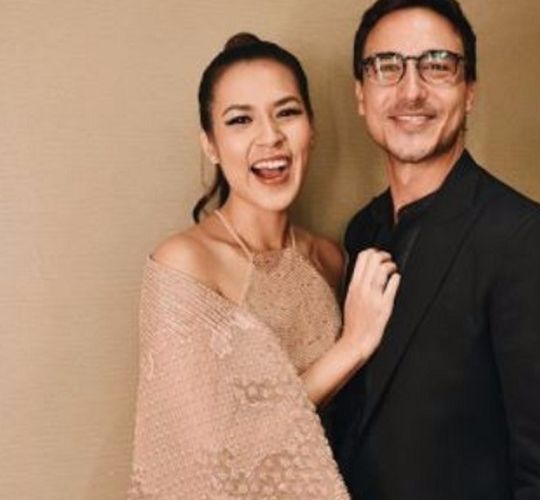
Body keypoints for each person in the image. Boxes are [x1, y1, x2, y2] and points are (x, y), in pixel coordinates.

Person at [323, 1, 540, 498]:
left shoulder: (535, 244)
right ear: (361, 95)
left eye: (437, 65)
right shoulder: (363, 230)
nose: (411, 90)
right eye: (387, 66)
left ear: (469, 90)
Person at [127, 33, 399, 499]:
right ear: (210, 145)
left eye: (286, 112)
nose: (270, 136)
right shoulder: (184, 265)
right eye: (240, 120)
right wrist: (351, 346)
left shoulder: (330, 259)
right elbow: (210, 457)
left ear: (312, 128)